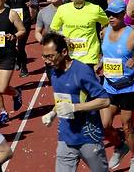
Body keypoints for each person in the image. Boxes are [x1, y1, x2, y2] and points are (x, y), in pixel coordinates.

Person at [40, 32, 110, 172]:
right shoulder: (54, 72)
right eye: (44, 56)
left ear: (64, 52)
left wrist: (74, 107)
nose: (47, 61)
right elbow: (64, 99)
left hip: (89, 137)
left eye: (50, 56)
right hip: (65, 137)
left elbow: (104, 100)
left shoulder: (82, 71)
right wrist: (53, 113)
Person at [100, 0, 134, 172]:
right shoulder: (104, 32)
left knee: (127, 126)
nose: (111, 17)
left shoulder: (132, 35)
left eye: (115, 14)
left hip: (127, 88)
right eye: (109, 14)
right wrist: (100, 62)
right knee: (104, 125)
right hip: (109, 86)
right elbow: (105, 54)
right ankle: (119, 145)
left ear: (123, 15)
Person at [50, 0, 109, 69]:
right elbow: (54, 29)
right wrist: (63, 36)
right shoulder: (63, 9)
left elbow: (107, 24)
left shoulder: (95, 9)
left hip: (89, 56)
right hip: (69, 55)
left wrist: (103, 34)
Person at [8, 0, 32, 77]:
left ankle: (24, 67)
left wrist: (31, 4)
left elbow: (34, 3)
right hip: (13, 22)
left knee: (21, 46)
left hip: (25, 21)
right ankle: (18, 59)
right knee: (12, 45)